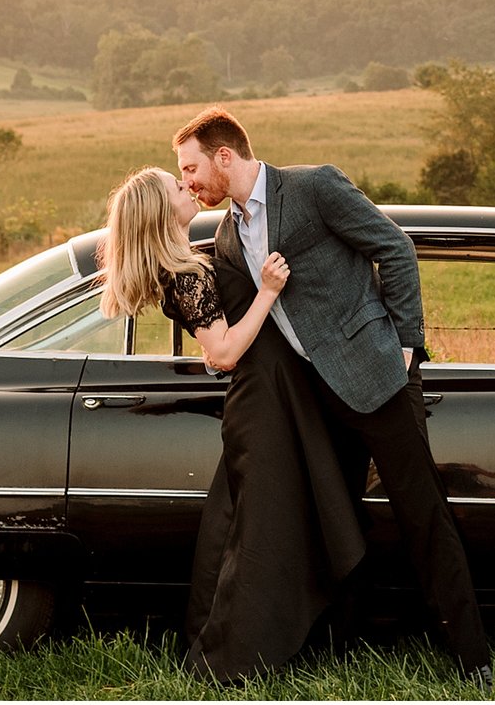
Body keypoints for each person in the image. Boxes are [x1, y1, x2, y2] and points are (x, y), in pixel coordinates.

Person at [172, 106, 493, 683]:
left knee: (423, 517)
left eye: (192, 168)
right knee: (338, 521)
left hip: (379, 379)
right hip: (315, 399)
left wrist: (406, 346)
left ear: (225, 156)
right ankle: (344, 644)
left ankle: (473, 659)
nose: (189, 181)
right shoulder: (225, 236)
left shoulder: (314, 186)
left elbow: (393, 248)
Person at [98, 166, 367, 682]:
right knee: (267, 529)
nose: (188, 188)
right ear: (160, 210)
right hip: (262, 400)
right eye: (178, 188)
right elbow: (221, 353)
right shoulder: (187, 273)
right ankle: (235, 657)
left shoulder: (187, 262)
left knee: (260, 524)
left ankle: (276, 637)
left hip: (273, 394)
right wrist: (267, 289)